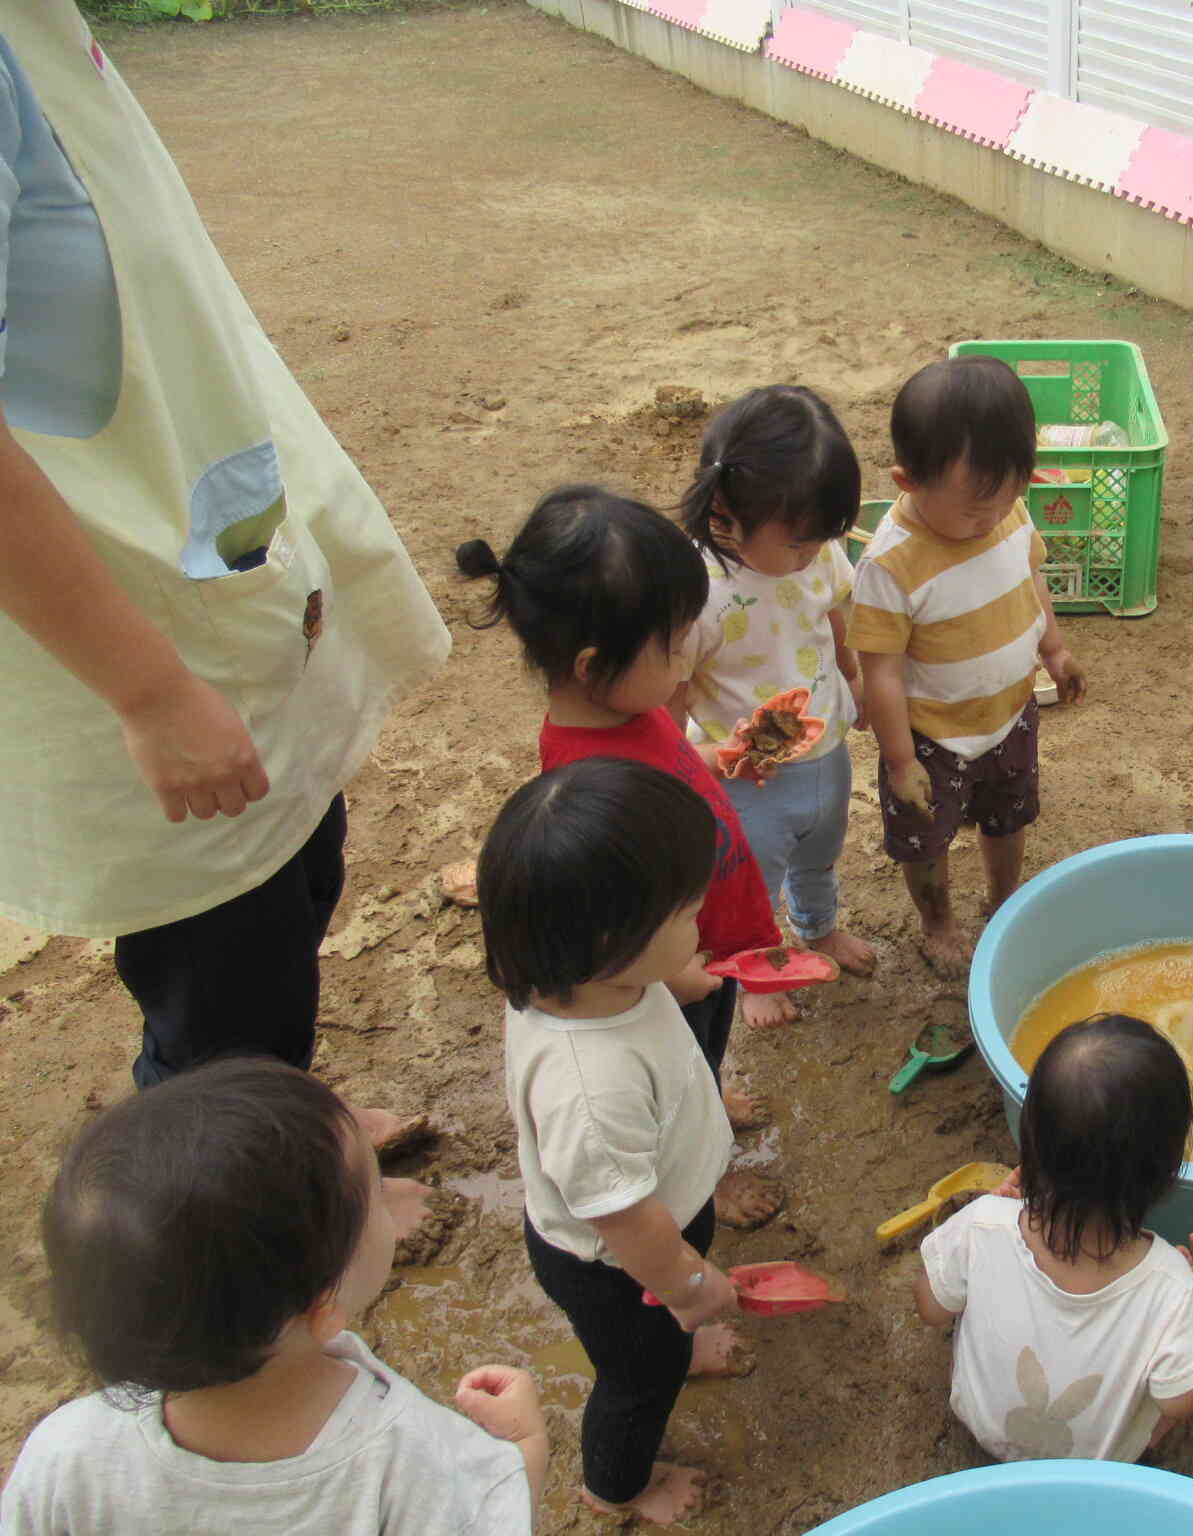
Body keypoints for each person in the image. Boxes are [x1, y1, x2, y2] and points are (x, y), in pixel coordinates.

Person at [0, 5, 449, 1089]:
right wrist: (148, 689)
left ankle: (285, 1132)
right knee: (223, 998)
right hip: (124, 622)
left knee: (299, 878)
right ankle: (239, 1222)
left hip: (214, 571)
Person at [0, 1058, 544, 1533]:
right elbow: (488, 1514)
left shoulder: (65, 1455)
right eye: (375, 1193)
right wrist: (522, 1451)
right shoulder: (423, 1461)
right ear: (323, 1305)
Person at [456, 486, 783, 1227]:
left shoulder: (631, 710)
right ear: (595, 663)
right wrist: (678, 973)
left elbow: (672, 761)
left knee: (705, 1049)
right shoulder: (581, 778)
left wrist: (720, 756)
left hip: (701, 935)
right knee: (672, 1068)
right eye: (671, 644)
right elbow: (613, 919)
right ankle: (706, 1175)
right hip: (668, 966)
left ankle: (708, 1096)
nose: (684, 659)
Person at [477, 757, 750, 1527]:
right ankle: (617, 1487)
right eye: (688, 915)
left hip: (662, 1212)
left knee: (665, 1326)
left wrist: (670, 977)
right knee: (639, 1377)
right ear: (610, 941)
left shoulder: (576, 978)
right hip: (612, 1257)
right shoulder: (589, 1090)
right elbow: (628, 1223)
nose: (702, 924)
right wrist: (689, 1288)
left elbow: (638, 980)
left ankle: (675, 1332)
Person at [849, 356, 1083, 976]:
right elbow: (882, 672)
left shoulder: (1008, 509)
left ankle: (1004, 898)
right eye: (974, 510)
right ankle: (938, 921)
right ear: (908, 480)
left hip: (1010, 714)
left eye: (1008, 497)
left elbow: (1031, 577)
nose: (991, 520)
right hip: (932, 739)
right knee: (926, 841)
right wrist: (900, 761)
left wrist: (1053, 649)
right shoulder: (889, 565)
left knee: (1009, 817)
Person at [915, 1013, 1193, 1461]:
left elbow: (930, 1309)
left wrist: (997, 1213)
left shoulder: (983, 1223)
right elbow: (1181, 1399)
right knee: (1176, 1397)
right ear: (1167, 1169)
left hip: (984, 1429)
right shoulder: (1170, 1284)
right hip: (1093, 1467)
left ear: (1033, 1141)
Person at [674, 385, 876, 1022]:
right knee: (750, 882)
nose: (812, 554)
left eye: (823, 537)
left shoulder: (817, 556)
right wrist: (702, 755)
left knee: (821, 847)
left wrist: (854, 679)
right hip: (743, 779)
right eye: (797, 542)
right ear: (724, 518)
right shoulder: (697, 593)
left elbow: (833, 619)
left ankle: (816, 928)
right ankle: (759, 972)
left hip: (825, 747)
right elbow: (668, 697)